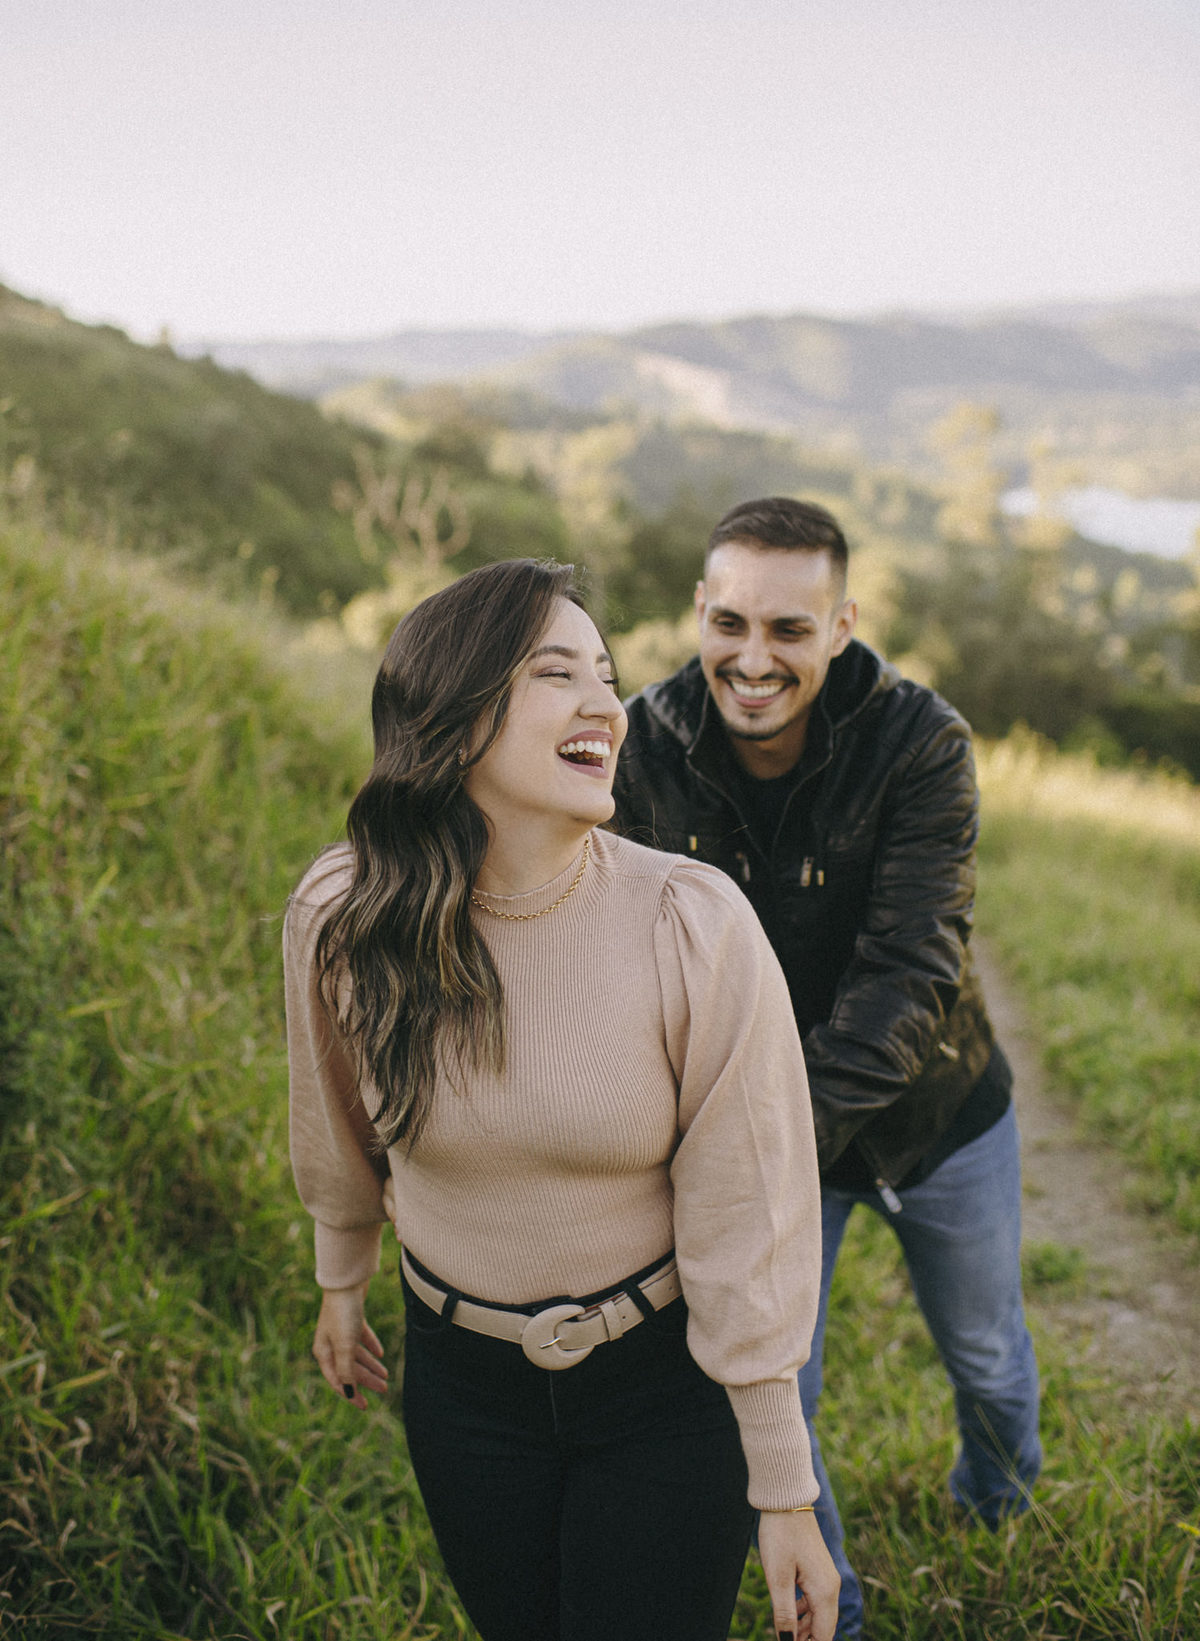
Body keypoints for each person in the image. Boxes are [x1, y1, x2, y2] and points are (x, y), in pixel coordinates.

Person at [283, 557, 840, 1641]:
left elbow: (749, 1216)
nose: (608, 707)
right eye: (556, 674)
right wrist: (339, 1282)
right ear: (452, 716)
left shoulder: (693, 924)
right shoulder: (343, 914)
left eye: (608, 674)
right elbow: (335, 1124)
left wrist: (782, 1485)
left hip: (661, 1393)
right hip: (458, 1383)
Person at [611, 498, 1042, 1641]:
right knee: (775, 1396)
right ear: (700, 610)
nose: (754, 661)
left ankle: (998, 1500)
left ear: (841, 625)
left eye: (790, 631)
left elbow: (910, 968)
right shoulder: (639, 746)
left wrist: (757, 1148)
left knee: (988, 1349)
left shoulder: (923, 742)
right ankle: (832, 1618)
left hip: (939, 1119)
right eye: (732, 622)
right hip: (765, 1143)